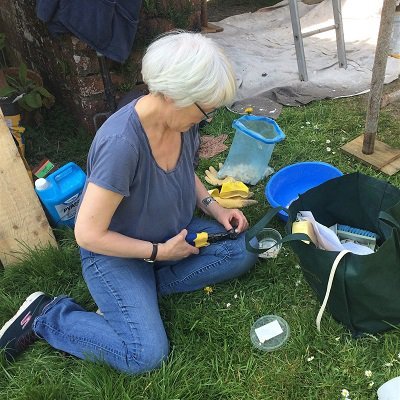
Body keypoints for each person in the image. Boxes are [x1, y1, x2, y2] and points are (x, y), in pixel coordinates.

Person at [0, 31, 258, 374]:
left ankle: (138, 297)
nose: (206, 118)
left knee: (243, 249)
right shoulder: (122, 143)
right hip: (116, 253)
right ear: (172, 95)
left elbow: (185, 173)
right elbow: (87, 234)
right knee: (145, 355)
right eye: (204, 110)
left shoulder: (183, 122)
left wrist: (215, 207)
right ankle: (49, 316)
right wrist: (157, 253)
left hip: (174, 232)